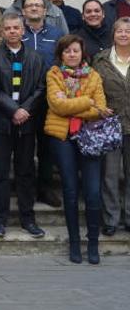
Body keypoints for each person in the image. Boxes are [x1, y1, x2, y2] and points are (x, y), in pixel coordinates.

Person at [45, 35, 109, 264]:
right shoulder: (53, 74)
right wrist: (87, 102)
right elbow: (57, 105)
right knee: (70, 192)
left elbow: (101, 109)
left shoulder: (94, 76)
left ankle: (93, 243)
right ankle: (74, 243)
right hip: (63, 138)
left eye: (76, 51)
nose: (72, 55)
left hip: (90, 137)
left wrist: (78, 105)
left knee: (92, 192)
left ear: (83, 53)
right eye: (67, 51)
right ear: (61, 54)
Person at [0, 13, 47, 238]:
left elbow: (41, 88)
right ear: (2, 32)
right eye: (7, 28)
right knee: (0, 173)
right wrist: (13, 109)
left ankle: (27, 219)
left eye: (16, 28)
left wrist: (25, 110)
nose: (12, 31)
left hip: (27, 123)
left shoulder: (36, 57)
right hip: (2, 123)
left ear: (23, 30)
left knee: (26, 172)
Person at [20, 0, 64, 208]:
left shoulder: (56, 34)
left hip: (49, 99)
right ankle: (26, 189)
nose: (35, 8)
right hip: (25, 99)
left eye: (38, 5)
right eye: (30, 6)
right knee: (25, 146)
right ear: (23, 11)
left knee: (46, 147)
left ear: (46, 10)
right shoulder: (18, 33)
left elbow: (63, 61)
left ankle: (45, 189)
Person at [91, 18, 130, 237]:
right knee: (110, 175)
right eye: (120, 31)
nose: (124, 34)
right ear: (113, 34)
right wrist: (100, 109)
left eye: (128, 31)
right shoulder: (101, 59)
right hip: (110, 125)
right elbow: (94, 88)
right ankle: (111, 219)